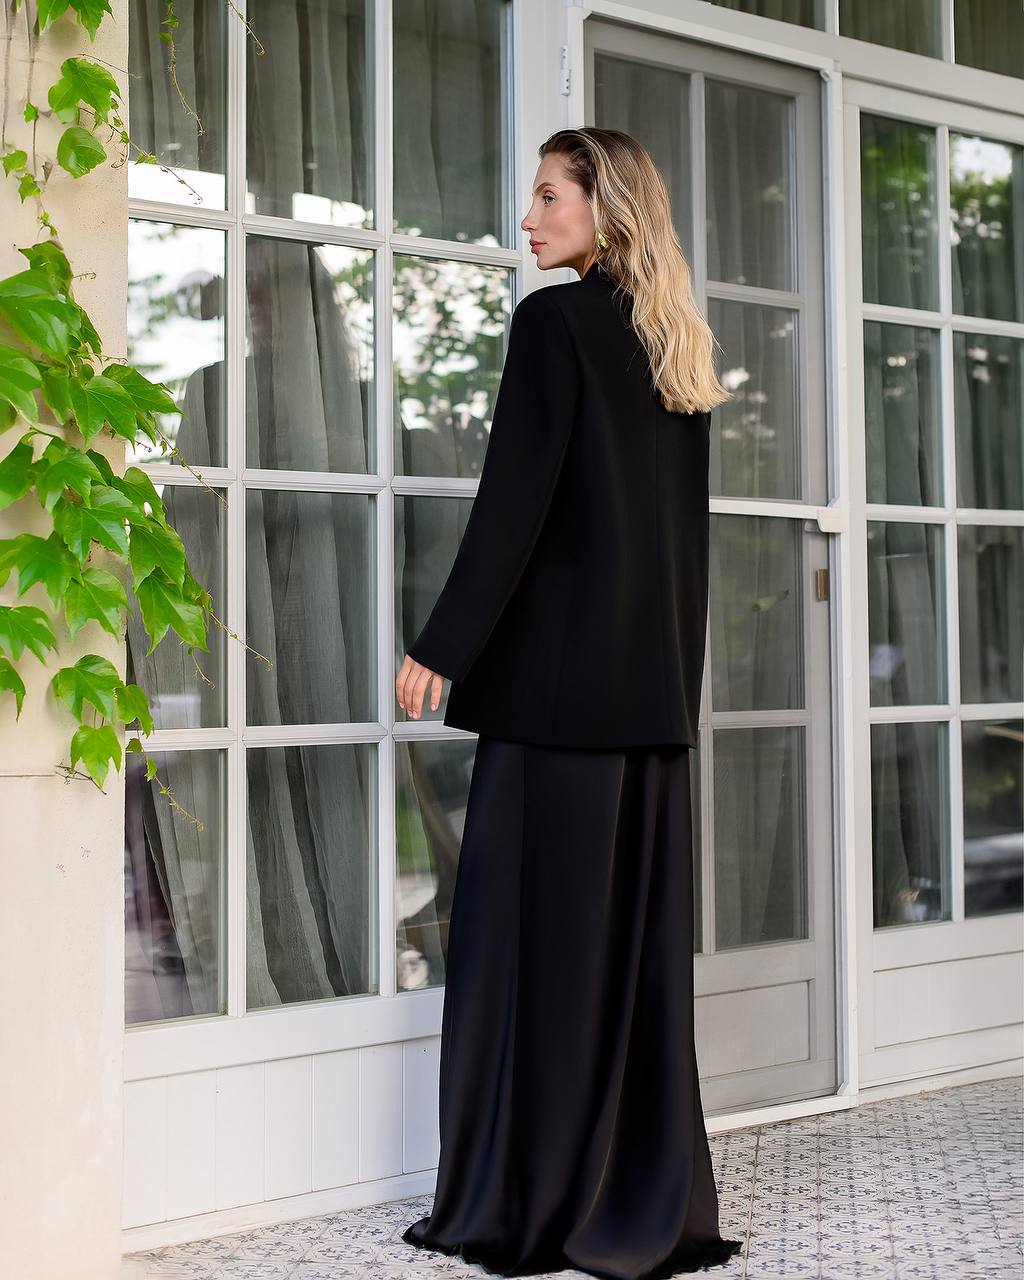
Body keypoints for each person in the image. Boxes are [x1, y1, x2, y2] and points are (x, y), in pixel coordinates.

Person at [395, 127, 741, 1280]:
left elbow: (514, 505)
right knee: (624, 972)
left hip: (552, 714)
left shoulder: (554, 324)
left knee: (521, 958)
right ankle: (629, 1201)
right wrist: (668, 694)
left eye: (549, 196)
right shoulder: (675, 346)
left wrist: (442, 645)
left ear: (609, 208)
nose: (529, 219)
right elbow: (677, 558)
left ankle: (524, 1206)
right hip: (645, 717)